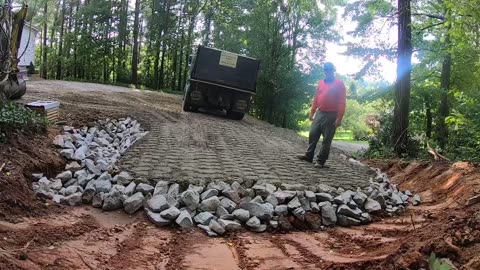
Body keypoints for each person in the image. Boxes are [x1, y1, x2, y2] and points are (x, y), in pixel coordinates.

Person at [296, 62, 346, 168]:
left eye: (329, 69)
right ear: (324, 71)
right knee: (313, 134)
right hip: (320, 112)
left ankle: (321, 160)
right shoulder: (320, 83)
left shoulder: (339, 83)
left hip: (332, 114)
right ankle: (309, 156)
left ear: (333, 70)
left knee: (327, 139)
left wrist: (339, 118)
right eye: (325, 69)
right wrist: (312, 112)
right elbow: (316, 98)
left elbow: (342, 102)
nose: (327, 71)